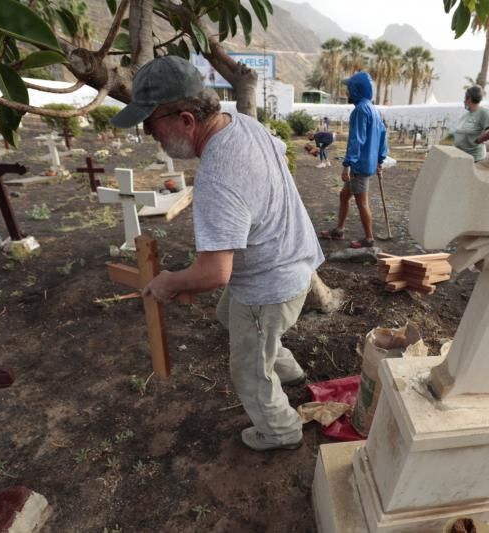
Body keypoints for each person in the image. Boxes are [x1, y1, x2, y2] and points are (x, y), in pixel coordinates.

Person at [110, 56, 324, 452]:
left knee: (247, 368)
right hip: (291, 260)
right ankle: (289, 369)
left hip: (269, 284)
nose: (148, 134)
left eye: (151, 123)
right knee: (228, 316)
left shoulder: (216, 176)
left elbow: (214, 274)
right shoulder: (242, 124)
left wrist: (168, 282)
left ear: (187, 120)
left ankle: (281, 431)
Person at [319, 71, 387, 249]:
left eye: (349, 89)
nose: (347, 93)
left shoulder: (359, 111)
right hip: (367, 163)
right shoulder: (374, 110)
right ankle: (339, 229)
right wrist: (380, 159)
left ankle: (369, 239)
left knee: (362, 202)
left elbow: (357, 139)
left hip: (359, 165)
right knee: (344, 196)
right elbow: (383, 136)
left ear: (356, 90)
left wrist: (347, 164)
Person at [453, 85, 489, 162]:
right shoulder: (465, 115)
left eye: (464, 98)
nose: (463, 101)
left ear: (468, 98)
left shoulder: (484, 112)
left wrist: (479, 140)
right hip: (461, 156)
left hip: (474, 159)